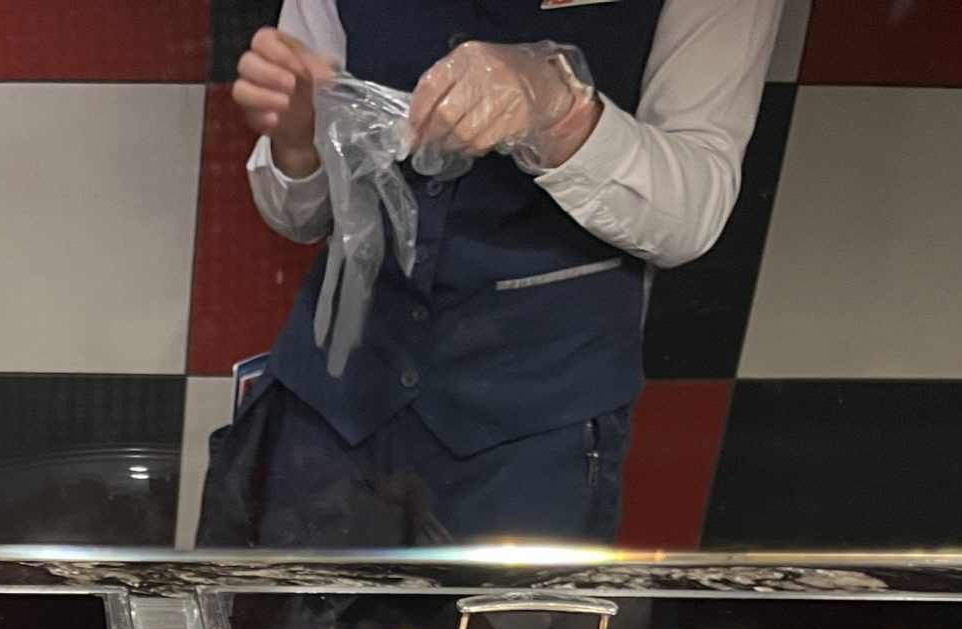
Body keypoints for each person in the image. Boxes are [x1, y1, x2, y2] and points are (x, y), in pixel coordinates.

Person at [209, 0, 782, 548]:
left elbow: (692, 213)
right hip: (329, 403)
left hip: (533, 436)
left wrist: (562, 110)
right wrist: (297, 141)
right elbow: (300, 215)